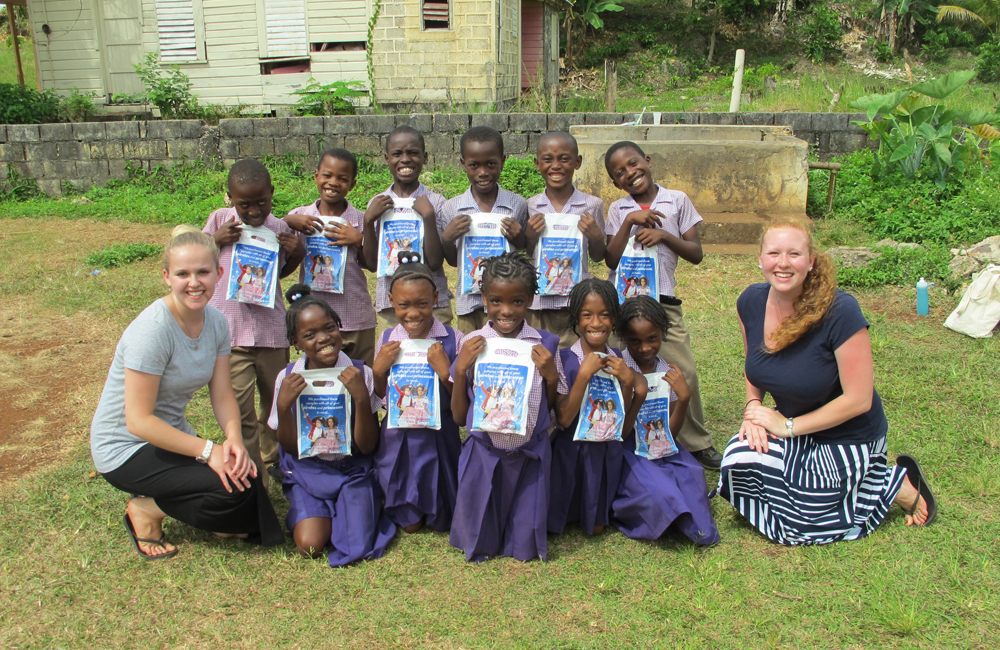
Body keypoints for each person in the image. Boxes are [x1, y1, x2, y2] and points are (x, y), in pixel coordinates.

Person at [719, 215, 936, 545]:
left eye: (794, 254)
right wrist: (753, 408)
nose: (783, 263)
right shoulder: (750, 302)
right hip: (797, 427)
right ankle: (838, 490)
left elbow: (859, 399)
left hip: (849, 435)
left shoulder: (840, 311)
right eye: (774, 253)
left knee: (802, 524)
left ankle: (891, 484)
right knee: (738, 460)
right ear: (760, 258)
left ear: (810, 261)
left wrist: (786, 427)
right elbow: (755, 366)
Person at [91, 225, 283, 560]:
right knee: (227, 486)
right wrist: (210, 451)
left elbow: (223, 395)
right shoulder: (152, 332)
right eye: (182, 273)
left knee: (246, 481)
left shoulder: (217, 322)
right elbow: (137, 421)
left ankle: (211, 512)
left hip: (170, 437)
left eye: (203, 272)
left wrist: (234, 439)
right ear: (166, 276)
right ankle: (147, 509)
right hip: (125, 448)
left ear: (220, 273)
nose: (194, 282)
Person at [603, 140, 722, 471]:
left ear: (648, 160)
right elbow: (610, 258)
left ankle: (697, 442)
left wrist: (664, 236)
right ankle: (621, 432)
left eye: (633, 163)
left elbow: (695, 254)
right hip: (625, 304)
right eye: (620, 172)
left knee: (685, 370)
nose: (630, 173)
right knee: (618, 368)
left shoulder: (678, 200)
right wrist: (630, 222)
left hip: (663, 303)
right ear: (615, 182)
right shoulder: (617, 209)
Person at [268, 284, 396, 565]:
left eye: (329, 328)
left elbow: (368, 445)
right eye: (309, 335)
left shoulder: (360, 372)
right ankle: (321, 507)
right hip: (309, 469)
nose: (323, 339)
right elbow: (289, 446)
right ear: (295, 342)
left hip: (353, 468)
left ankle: (350, 504)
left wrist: (362, 399)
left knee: (356, 541)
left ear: (340, 326)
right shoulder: (287, 378)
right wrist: (284, 405)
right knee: (310, 546)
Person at [450, 252, 565, 562]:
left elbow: (551, 411)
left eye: (517, 301)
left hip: (529, 454)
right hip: (484, 454)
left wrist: (552, 377)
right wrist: (460, 370)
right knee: (480, 538)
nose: (506, 311)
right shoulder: (472, 342)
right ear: (484, 298)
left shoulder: (546, 344)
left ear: (530, 298)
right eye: (496, 300)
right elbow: (460, 416)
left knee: (524, 548)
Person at [203, 159, 305, 485]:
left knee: (275, 403)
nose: (253, 210)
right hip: (230, 335)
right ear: (229, 198)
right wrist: (216, 240)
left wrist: (297, 252)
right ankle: (252, 471)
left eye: (261, 201)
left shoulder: (279, 229)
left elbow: (280, 274)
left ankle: (273, 458)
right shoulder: (220, 221)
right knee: (240, 409)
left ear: (272, 194)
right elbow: (198, 260)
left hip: (271, 332)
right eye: (244, 204)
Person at [612, 296, 720, 546]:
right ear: (624, 338)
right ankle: (667, 517)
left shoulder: (667, 372)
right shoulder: (619, 368)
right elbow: (618, 430)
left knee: (691, 475)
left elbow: (670, 433)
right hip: (628, 448)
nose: (645, 348)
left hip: (663, 445)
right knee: (656, 488)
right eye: (635, 341)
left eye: (652, 339)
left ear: (663, 334)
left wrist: (683, 400)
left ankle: (692, 525)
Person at [371, 259, 463, 533]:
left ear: (436, 298)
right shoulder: (388, 338)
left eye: (422, 304)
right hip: (399, 435)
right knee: (409, 524)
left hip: (439, 435)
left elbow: (461, 403)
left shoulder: (453, 338)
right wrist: (377, 371)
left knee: (439, 521)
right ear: (391, 301)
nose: (413, 313)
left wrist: (446, 371)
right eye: (403, 305)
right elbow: (380, 398)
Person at [549, 279, 643, 536]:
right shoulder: (564, 357)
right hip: (571, 452)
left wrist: (627, 383)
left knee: (597, 528)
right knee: (560, 522)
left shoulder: (621, 359)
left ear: (615, 318)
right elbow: (564, 419)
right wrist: (582, 376)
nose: (596, 323)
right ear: (576, 319)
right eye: (587, 315)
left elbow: (621, 426)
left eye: (605, 315)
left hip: (605, 452)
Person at [283, 148, 377, 366]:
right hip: (315, 321)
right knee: (321, 380)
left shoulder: (361, 220)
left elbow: (371, 264)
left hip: (355, 317)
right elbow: (273, 239)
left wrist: (359, 239)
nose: (333, 183)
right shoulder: (300, 216)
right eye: (327, 176)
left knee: (360, 376)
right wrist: (288, 220)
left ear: (352, 184)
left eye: (342, 179)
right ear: (316, 176)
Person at [361, 127, 453, 332]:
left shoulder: (437, 203)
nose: (405, 159)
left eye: (413, 153)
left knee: (438, 355)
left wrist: (428, 217)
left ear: (425, 158)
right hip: (392, 305)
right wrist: (368, 221)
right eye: (397, 154)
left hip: (432, 303)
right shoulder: (377, 204)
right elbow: (371, 264)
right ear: (387, 158)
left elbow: (437, 262)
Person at [439, 126, 529, 334]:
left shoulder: (517, 204)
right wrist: (447, 239)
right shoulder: (452, 208)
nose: (483, 172)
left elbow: (523, 250)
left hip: (507, 303)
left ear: (503, 161)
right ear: (463, 164)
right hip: (470, 302)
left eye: (491, 164)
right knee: (472, 350)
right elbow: (453, 260)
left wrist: (520, 237)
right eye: (474, 165)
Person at [525, 131, 607, 348]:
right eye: (548, 159)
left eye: (564, 158)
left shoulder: (592, 205)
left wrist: (597, 236)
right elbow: (526, 251)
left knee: (575, 360)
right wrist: (530, 236)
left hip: (575, 301)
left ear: (577, 162)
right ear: (537, 163)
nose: (556, 165)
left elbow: (598, 256)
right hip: (539, 302)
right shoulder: (531, 205)